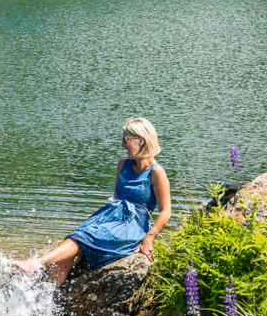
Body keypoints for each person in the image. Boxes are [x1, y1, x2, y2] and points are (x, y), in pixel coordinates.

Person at [11, 117, 172, 285]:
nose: (123, 145)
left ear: (141, 140)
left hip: (133, 225)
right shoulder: (122, 165)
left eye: (126, 140)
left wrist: (149, 238)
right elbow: (117, 199)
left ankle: (35, 264)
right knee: (72, 251)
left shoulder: (157, 172)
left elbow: (166, 211)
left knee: (82, 239)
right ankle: (44, 303)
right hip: (111, 216)